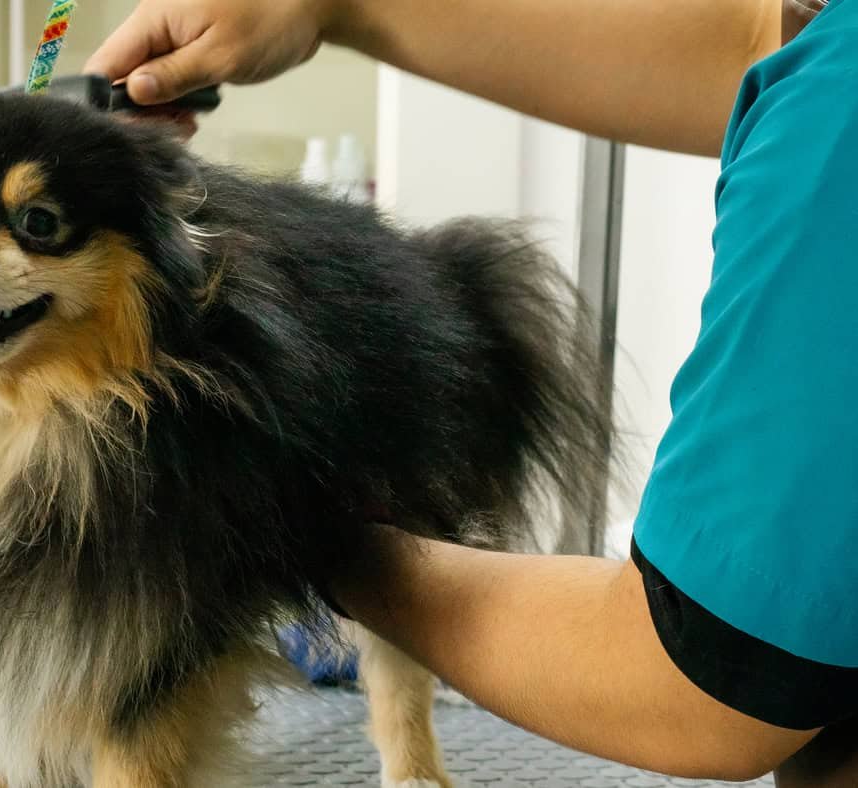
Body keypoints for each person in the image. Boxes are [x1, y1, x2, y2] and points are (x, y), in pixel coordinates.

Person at [85, 1, 858, 784]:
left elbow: (710, 676)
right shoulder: (827, 72)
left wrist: (294, 535)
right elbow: (759, 42)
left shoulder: (842, 121)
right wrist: (326, 7)